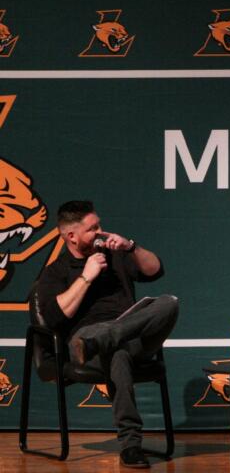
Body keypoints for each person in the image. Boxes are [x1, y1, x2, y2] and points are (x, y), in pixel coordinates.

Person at [37, 200, 178, 469]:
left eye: (99, 225)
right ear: (71, 236)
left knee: (169, 302)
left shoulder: (115, 255)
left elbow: (155, 270)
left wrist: (131, 247)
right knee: (118, 353)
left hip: (119, 337)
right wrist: (87, 277)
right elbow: (53, 317)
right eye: (93, 229)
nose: (101, 232)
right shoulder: (55, 272)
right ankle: (131, 445)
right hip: (83, 345)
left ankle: (103, 339)